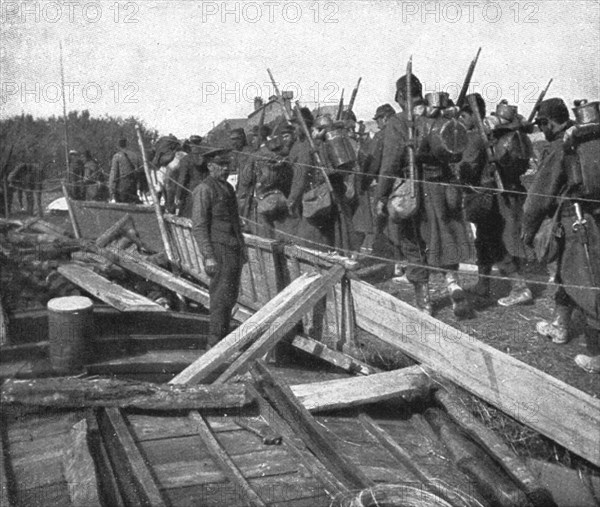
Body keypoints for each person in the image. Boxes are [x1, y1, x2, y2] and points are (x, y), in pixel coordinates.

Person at [375, 77, 472, 318]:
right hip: (442, 188)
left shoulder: (398, 121)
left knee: (412, 242)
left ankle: (424, 302)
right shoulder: (438, 114)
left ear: (399, 96)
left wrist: (381, 195)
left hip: (413, 191)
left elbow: (389, 164)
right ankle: (453, 285)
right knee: (444, 236)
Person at [521, 98, 600, 373]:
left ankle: (597, 355)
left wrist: (527, 231)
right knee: (569, 277)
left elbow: (538, 199)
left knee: (585, 283)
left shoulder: (559, 148)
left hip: (573, 221)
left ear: (549, 121)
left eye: (542, 124)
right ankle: (561, 326)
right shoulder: (588, 141)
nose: (542, 130)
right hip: (591, 217)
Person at [458, 95, 533, 306]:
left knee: (493, 240)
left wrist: (459, 174)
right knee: (483, 240)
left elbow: (469, 166)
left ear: (474, 114)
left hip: (487, 196)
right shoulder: (500, 132)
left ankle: (520, 287)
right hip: (501, 193)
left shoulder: (477, 137)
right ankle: (483, 283)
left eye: (464, 115)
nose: (462, 120)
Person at [191, 149, 246, 348]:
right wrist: (208, 256)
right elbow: (198, 225)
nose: (226, 169)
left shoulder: (227, 189)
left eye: (227, 166)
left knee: (230, 298)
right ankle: (214, 347)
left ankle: (222, 344)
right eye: (221, 166)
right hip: (218, 250)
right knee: (220, 300)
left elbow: (233, 222)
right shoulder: (204, 189)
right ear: (210, 166)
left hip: (232, 250)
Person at [109, 138, 143, 204]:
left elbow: (114, 174)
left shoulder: (117, 156)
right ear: (126, 144)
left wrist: (111, 189)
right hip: (133, 184)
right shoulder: (135, 155)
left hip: (122, 186)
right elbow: (140, 172)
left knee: (122, 205)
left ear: (118, 146)